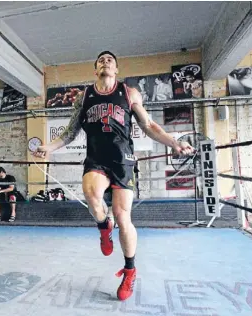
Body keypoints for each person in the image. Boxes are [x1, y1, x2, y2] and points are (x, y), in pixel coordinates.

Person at [33, 51, 195, 301]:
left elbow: (149, 126)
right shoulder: (84, 96)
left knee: (122, 215)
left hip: (122, 160)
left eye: (109, 60)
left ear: (116, 70)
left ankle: (130, 270)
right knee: (91, 193)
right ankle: (103, 226)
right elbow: (70, 132)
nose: (105, 62)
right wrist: (49, 148)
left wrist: (174, 142)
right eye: (100, 60)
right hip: (96, 158)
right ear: (95, 70)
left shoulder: (129, 94)